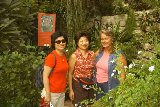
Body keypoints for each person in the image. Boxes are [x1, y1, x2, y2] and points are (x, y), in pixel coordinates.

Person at [95, 29, 127, 100]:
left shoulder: (118, 55)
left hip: (109, 86)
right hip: (98, 86)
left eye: (106, 38)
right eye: (102, 39)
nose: (103, 41)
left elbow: (123, 74)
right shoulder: (99, 52)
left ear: (112, 39)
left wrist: (121, 90)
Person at [68, 31, 95, 107]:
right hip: (78, 86)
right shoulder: (74, 56)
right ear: (77, 43)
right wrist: (71, 90)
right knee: (79, 105)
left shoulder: (92, 54)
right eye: (81, 41)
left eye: (86, 40)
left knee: (90, 105)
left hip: (90, 85)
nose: (84, 43)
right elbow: (70, 73)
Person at [43, 31, 68, 107]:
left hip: (62, 92)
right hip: (52, 93)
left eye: (63, 41)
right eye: (58, 41)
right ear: (54, 43)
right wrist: (48, 94)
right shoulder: (51, 57)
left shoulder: (64, 55)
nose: (61, 43)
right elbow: (45, 76)